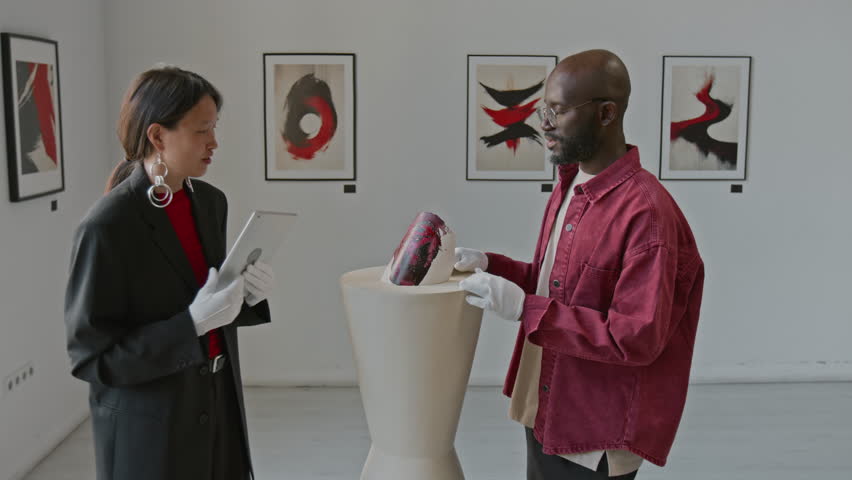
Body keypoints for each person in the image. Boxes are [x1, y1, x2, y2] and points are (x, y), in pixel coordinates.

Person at [456, 49, 705, 479]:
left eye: (558, 110)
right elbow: (562, 285)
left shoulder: (646, 214)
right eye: (543, 108)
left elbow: (635, 338)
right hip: (550, 404)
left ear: (607, 113)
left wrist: (523, 308)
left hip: (594, 431)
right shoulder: (573, 183)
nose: (544, 122)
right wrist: (491, 265)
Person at [64, 66, 275, 480]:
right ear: (158, 136)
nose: (214, 143)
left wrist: (247, 293)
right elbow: (93, 360)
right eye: (201, 131)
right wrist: (191, 324)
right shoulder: (107, 227)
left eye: (214, 128)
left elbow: (207, 297)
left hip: (218, 405)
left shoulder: (212, 202)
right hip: (151, 430)